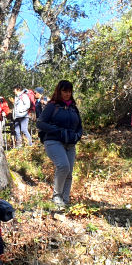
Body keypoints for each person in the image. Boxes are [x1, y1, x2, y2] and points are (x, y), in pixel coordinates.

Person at [36, 80, 83, 209]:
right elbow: (40, 123)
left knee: (69, 173)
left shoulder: (73, 108)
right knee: (63, 166)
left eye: (69, 91)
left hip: (70, 144)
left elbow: (79, 126)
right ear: (59, 91)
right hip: (53, 141)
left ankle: (65, 201)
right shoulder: (52, 106)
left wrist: (77, 135)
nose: (67, 94)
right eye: (64, 91)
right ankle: (57, 197)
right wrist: (58, 131)